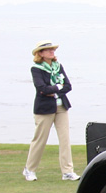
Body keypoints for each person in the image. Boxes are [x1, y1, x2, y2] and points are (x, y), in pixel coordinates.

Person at [24, 40, 79, 181]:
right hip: (44, 109)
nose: (52, 52)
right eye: (48, 50)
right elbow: (42, 88)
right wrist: (57, 88)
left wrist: (54, 90)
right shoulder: (36, 68)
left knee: (65, 139)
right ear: (40, 53)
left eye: (53, 49)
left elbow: (68, 86)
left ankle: (67, 171)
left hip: (61, 106)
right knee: (40, 139)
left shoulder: (58, 66)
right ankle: (29, 169)